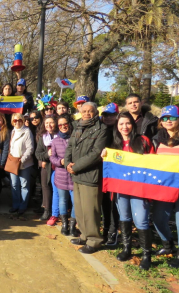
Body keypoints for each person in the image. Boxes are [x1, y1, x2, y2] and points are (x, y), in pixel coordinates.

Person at [101, 112, 155, 270]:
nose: (124, 127)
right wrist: (105, 155)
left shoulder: (143, 141)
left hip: (139, 189)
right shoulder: (114, 144)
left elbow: (152, 162)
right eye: (121, 124)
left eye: (128, 123)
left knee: (141, 221)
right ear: (117, 127)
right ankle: (127, 248)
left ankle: (146, 255)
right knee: (124, 217)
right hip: (121, 189)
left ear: (133, 124)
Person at [151, 105, 179, 268]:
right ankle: (168, 245)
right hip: (165, 185)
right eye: (164, 118)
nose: (168, 120)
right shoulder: (156, 138)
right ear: (161, 121)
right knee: (158, 218)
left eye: (172, 117)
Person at [65, 102, 108, 254]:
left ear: (96, 113)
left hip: (90, 175)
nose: (87, 113)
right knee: (80, 208)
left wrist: (75, 167)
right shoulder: (77, 126)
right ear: (80, 112)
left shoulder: (102, 129)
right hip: (76, 174)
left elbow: (96, 153)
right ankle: (84, 235)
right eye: (84, 111)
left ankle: (94, 240)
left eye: (90, 111)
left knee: (91, 210)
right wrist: (67, 163)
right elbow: (70, 146)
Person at [50, 114, 77, 236]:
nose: (62, 126)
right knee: (62, 200)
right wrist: (60, 162)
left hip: (74, 175)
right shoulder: (55, 141)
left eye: (65, 124)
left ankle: (73, 225)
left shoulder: (76, 138)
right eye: (60, 125)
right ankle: (65, 224)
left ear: (69, 124)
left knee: (75, 201)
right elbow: (52, 157)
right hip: (60, 175)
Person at [100, 103, 120, 246]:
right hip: (102, 172)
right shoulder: (100, 130)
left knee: (113, 204)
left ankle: (113, 232)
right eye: (105, 115)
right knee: (104, 203)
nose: (108, 118)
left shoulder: (120, 131)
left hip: (116, 173)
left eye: (111, 115)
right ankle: (105, 230)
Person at [8, 113, 34, 216]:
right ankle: (15, 205)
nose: (17, 122)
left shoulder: (27, 131)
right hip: (13, 162)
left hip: (24, 163)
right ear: (12, 121)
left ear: (22, 120)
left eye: (19, 120)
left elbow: (30, 148)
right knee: (14, 184)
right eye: (15, 120)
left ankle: (23, 206)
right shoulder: (13, 132)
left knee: (24, 185)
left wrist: (22, 160)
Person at [35, 115, 59, 223]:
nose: (49, 125)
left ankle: (58, 212)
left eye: (51, 122)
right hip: (47, 166)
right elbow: (38, 153)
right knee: (46, 187)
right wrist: (46, 155)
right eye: (46, 123)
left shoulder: (61, 135)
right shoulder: (43, 137)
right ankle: (47, 210)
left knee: (58, 190)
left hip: (59, 167)